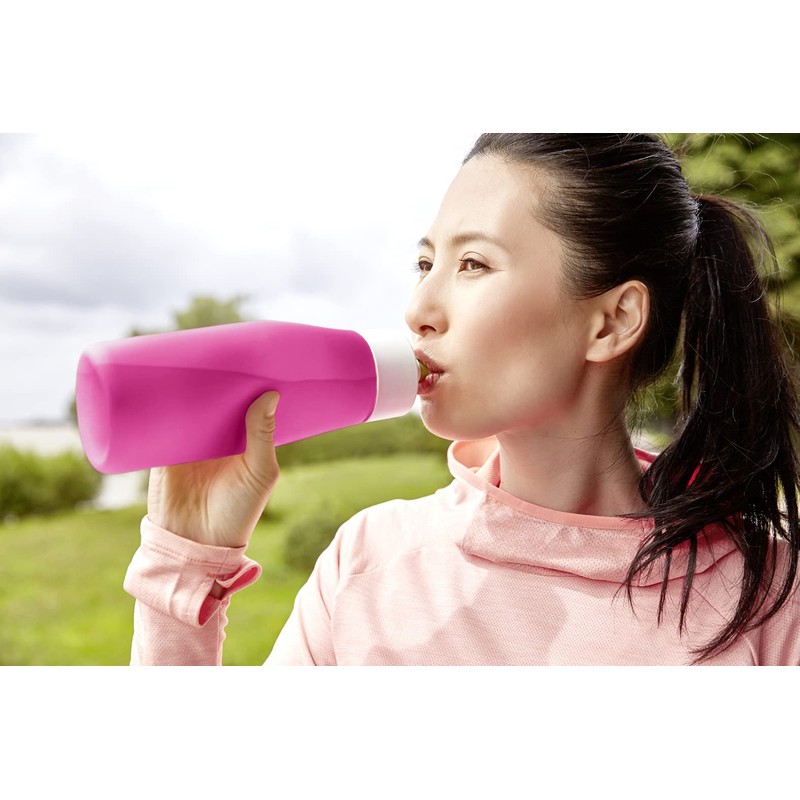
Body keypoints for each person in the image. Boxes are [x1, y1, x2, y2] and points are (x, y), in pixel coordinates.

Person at [123, 133, 800, 665]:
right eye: (425, 264)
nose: (419, 309)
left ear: (611, 322)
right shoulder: (368, 561)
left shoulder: (768, 595)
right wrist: (183, 566)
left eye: (473, 264)